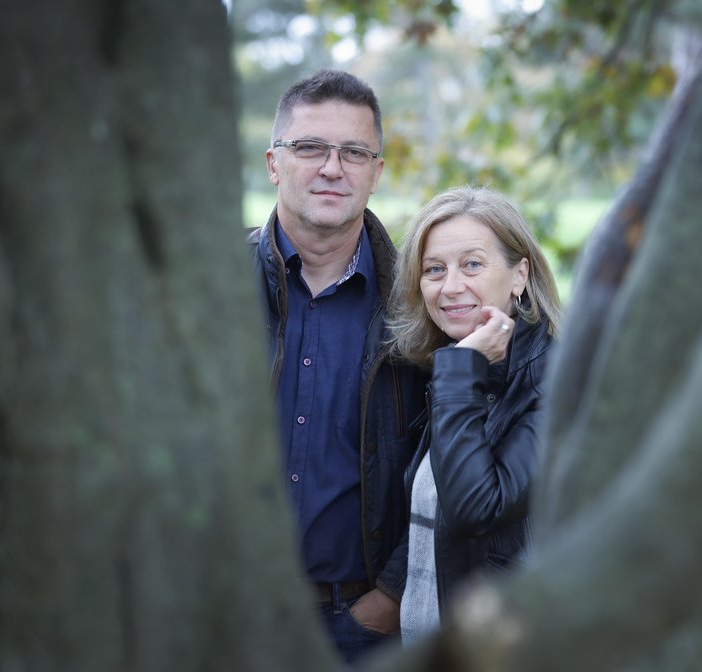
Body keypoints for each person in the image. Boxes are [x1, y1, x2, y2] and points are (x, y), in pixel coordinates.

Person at [249, 69, 426, 664]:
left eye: (354, 152)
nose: (332, 167)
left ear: (376, 172)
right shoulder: (205, 288)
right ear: (274, 162)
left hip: (360, 628)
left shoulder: (421, 305)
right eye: (310, 147)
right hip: (221, 615)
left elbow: (454, 459)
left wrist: (392, 593)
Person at [386, 185, 562, 642]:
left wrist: (461, 372)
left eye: (473, 264)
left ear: (519, 275)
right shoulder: (453, 369)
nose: (450, 287)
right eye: (434, 270)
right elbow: (429, 515)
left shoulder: (557, 384)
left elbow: (474, 507)